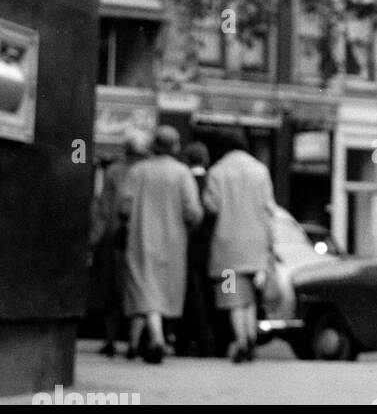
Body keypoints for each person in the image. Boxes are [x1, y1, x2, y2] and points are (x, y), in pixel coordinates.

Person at [118, 125, 203, 364]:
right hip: (173, 242)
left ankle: (145, 342)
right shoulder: (182, 173)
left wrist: (128, 220)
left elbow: (124, 207)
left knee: (143, 288)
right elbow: (193, 212)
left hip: (141, 239)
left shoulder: (137, 171)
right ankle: (156, 339)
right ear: (175, 146)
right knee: (159, 292)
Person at [202, 128, 275, 363]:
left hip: (227, 247)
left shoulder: (216, 172)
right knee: (250, 297)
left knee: (232, 297)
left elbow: (211, 206)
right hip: (255, 244)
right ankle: (251, 335)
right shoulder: (260, 170)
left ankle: (242, 340)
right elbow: (269, 208)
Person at [91, 131, 148, 356]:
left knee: (112, 291)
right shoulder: (150, 171)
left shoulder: (114, 170)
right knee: (139, 288)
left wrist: (94, 239)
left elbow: (103, 207)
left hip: (115, 238)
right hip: (143, 238)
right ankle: (137, 341)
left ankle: (111, 340)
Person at [177, 141, 217, 356]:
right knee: (208, 294)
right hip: (212, 249)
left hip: (185, 247)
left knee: (189, 295)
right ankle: (208, 340)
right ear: (206, 159)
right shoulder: (212, 182)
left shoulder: (182, 180)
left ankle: (185, 340)